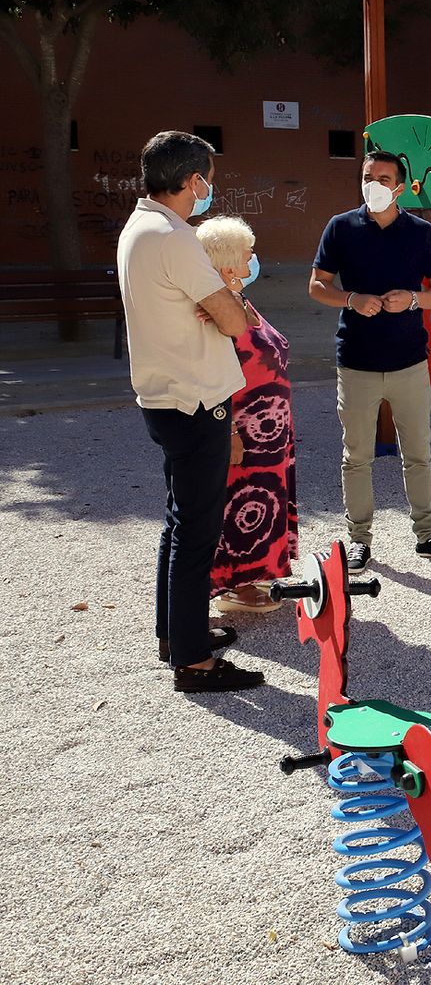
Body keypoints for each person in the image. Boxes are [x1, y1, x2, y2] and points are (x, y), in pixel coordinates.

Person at [117, 131, 264, 692]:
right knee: (196, 532)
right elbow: (232, 320)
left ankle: (176, 634)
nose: (210, 188)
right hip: (196, 400)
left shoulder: (140, 226)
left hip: (165, 395)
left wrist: (223, 306)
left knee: (179, 521)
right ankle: (195, 662)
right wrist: (233, 309)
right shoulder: (176, 237)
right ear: (193, 180)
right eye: (208, 178)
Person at [309, 151, 431, 572]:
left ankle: (427, 535)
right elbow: (317, 285)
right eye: (366, 176)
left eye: (382, 178)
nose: (372, 183)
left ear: (400, 186)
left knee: (418, 453)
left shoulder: (421, 232)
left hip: (409, 361)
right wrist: (351, 299)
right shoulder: (340, 227)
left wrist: (412, 299)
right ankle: (359, 539)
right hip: (356, 361)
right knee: (356, 455)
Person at [196, 216, 298, 612]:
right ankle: (235, 586)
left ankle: (251, 579)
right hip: (244, 428)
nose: (254, 258)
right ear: (226, 263)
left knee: (262, 501)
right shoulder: (213, 310)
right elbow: (211, 372)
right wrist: (230, 432)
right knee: (241, 506)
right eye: (247, 252)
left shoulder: (237, 298)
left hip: (270, 431)